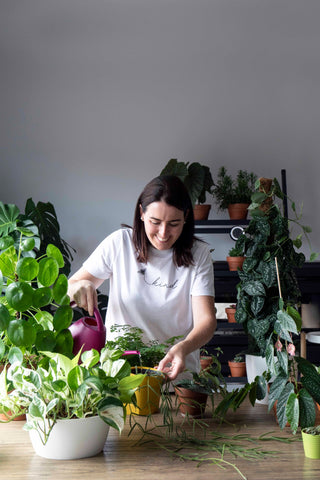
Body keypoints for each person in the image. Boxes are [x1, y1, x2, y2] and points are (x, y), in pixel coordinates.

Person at [68, 175, 216, 381]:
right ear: (141, 213)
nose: (163, 233)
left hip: (176, 378)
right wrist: (79, 285)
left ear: (186, 217)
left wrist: (182, 347)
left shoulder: (198, 254)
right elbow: (69, 289)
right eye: (155, 222)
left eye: (174, 223)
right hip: (121, 380)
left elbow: (206, 320)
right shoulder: (119, 244)